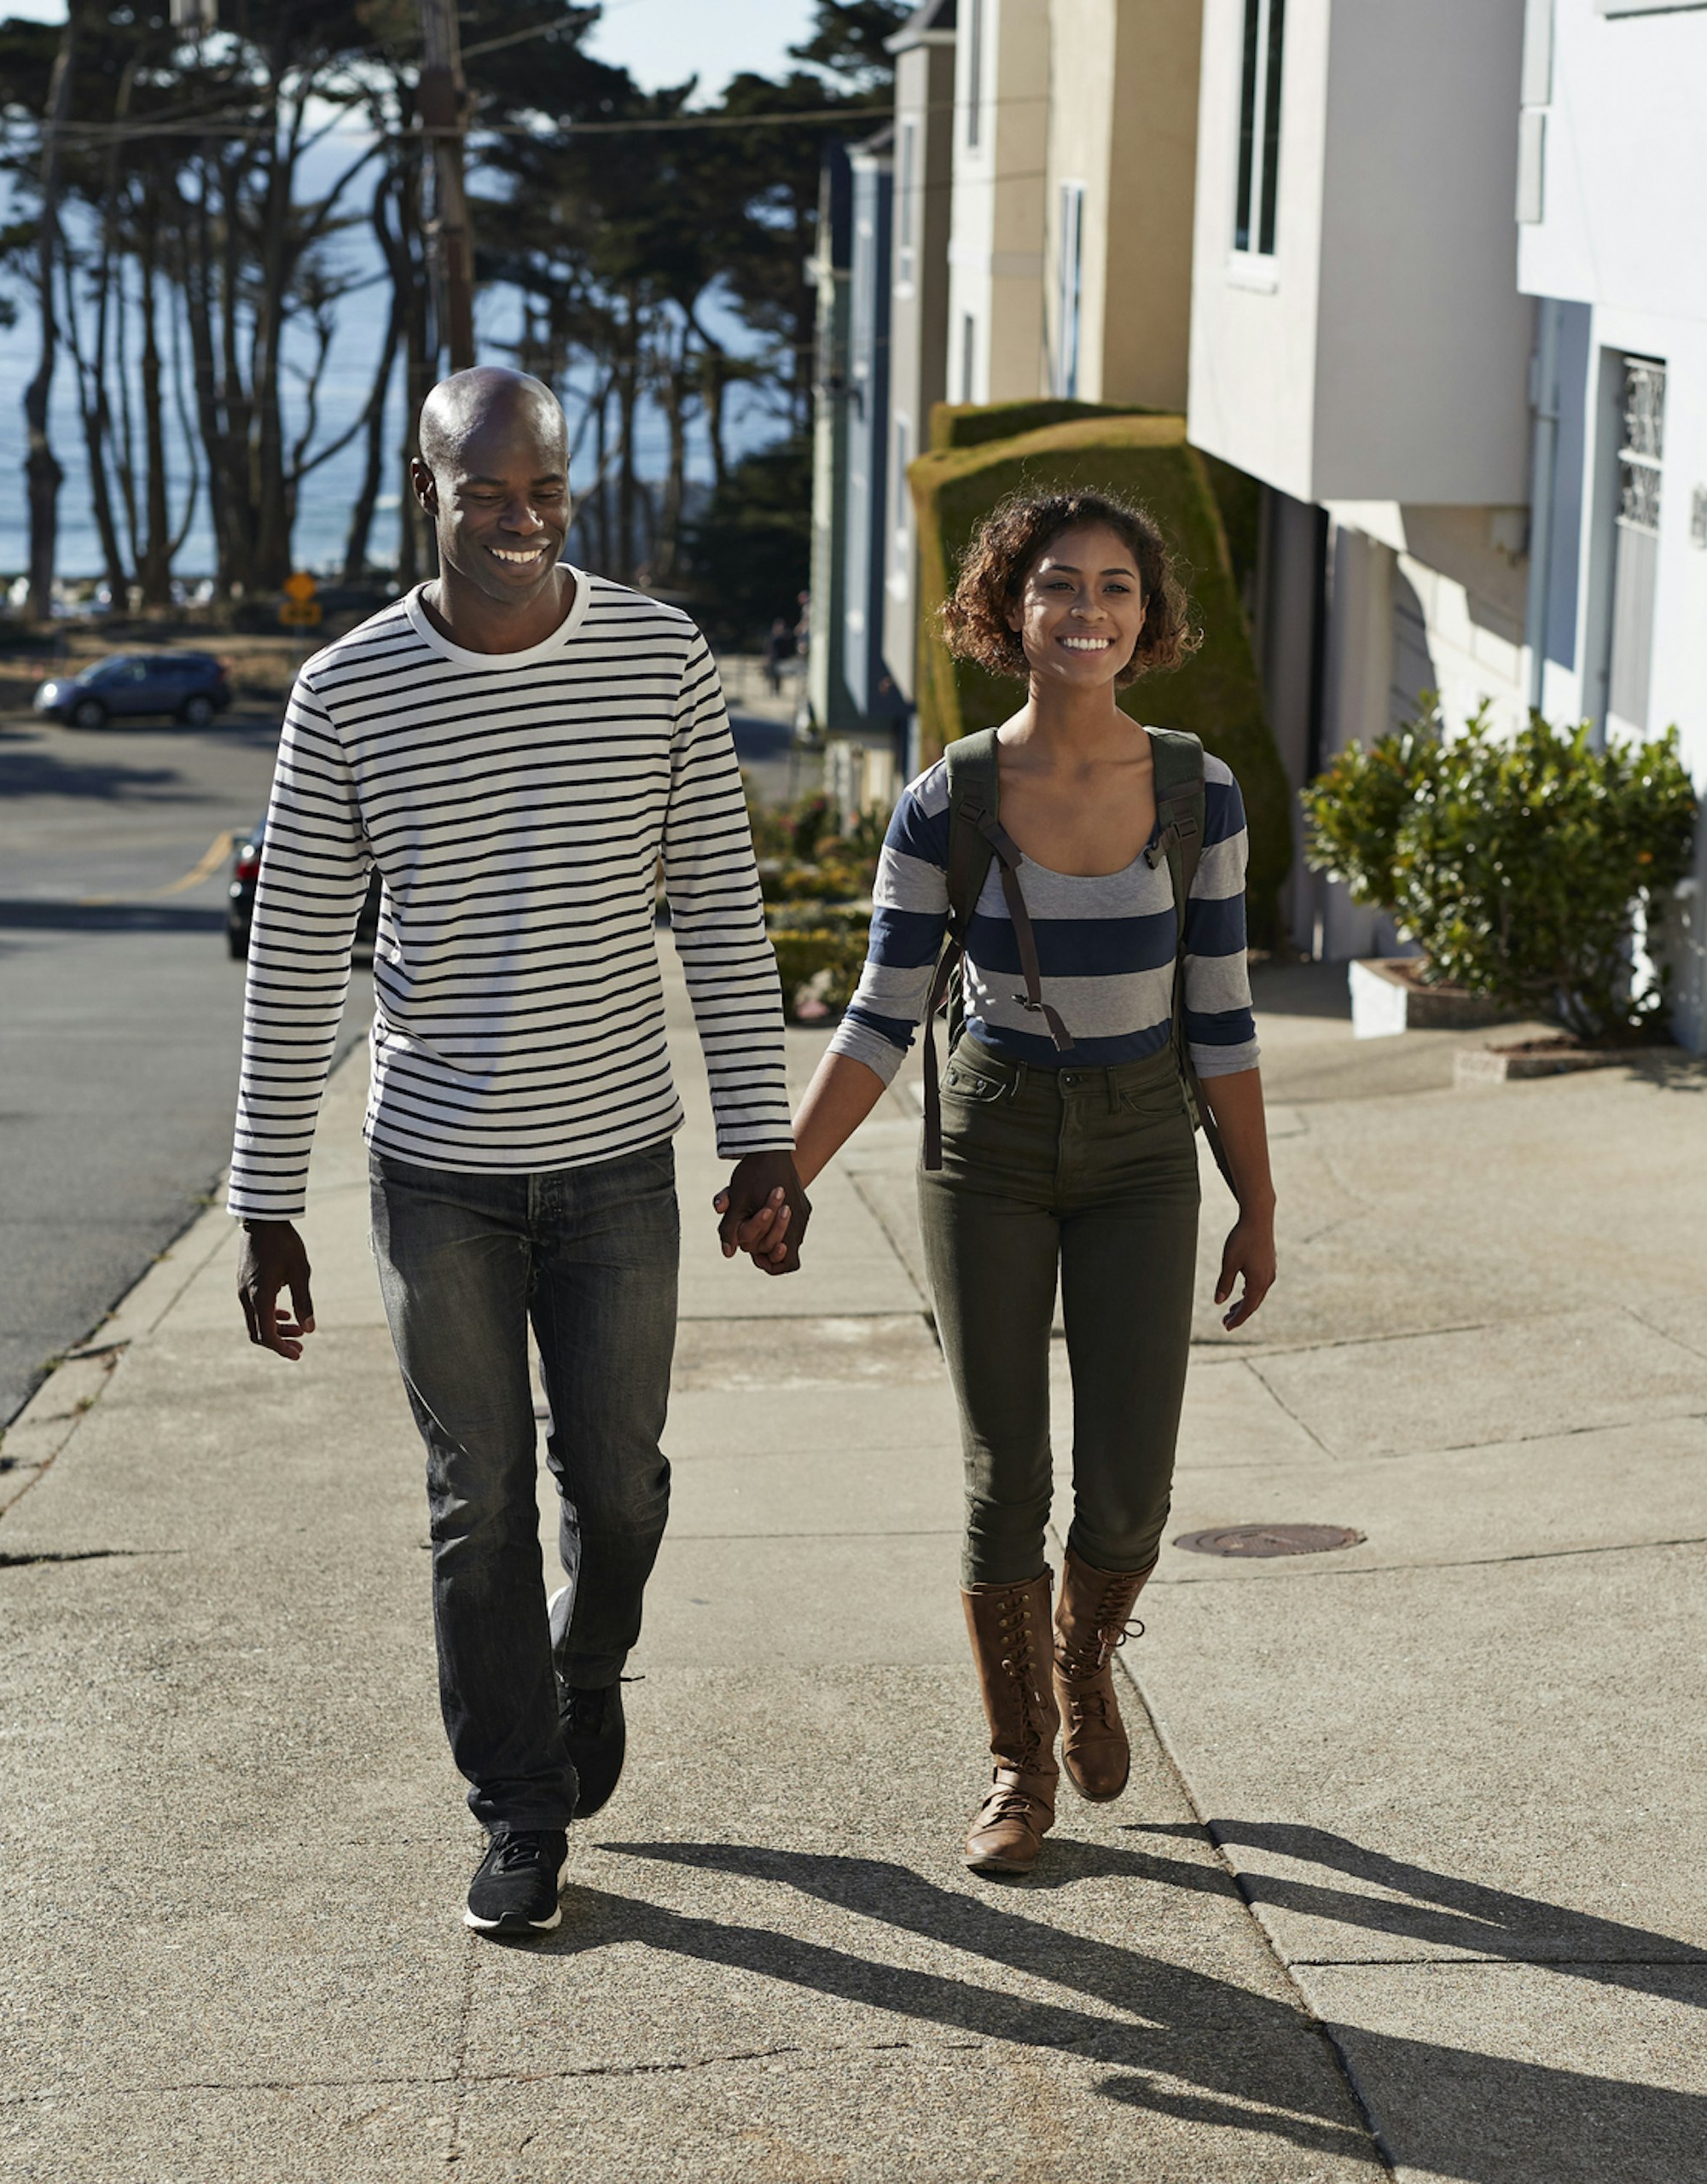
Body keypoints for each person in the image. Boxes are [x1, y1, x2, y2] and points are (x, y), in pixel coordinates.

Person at [229, 366, 806, 1939]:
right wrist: (264, 1203)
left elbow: (723, 915)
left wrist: (765, 1139)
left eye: (543, 491)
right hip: (437, 1173)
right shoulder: (347, 693)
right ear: (429, 488)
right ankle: (519, 1809)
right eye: (485, 493)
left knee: (614, 1492)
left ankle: (588, 1659)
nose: (520, 522)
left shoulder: (658, 655)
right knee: (474, 1496)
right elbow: (293, 959)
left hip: (619, 1155)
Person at [781, 489, 1277, 1877]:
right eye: (1059, 585)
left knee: (1129, 1490)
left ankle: (1084, 1652)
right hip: (989, 1142)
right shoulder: (952, 798)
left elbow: (1223, 1012)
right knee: (1007, 1475)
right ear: (1010, 610)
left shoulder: (1199, 791)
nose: (1089, 612)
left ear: (1147, 616)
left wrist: (1258, 1196)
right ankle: (1016, 1771)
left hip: (1141, 1150)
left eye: (1117, 587)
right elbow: (881, 1013)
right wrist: (788, 1173)